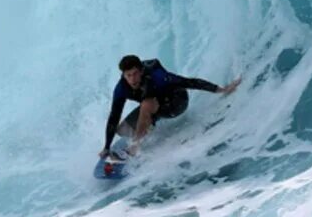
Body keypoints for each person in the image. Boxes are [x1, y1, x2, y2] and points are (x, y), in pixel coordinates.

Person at [100, 54, 241, 158]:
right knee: (122, 130)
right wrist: (106, 147)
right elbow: (114, 115)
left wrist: (221, 90)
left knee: (146, 104)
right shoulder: (121, 88)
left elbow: (188, 82)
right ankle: (147, 128)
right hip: (155, 108)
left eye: (135, 74)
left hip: (176, 102)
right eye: (128, 75)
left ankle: (135, 146)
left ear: (141, 71)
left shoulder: (156, 75)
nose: (132, 79)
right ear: (123, 75)